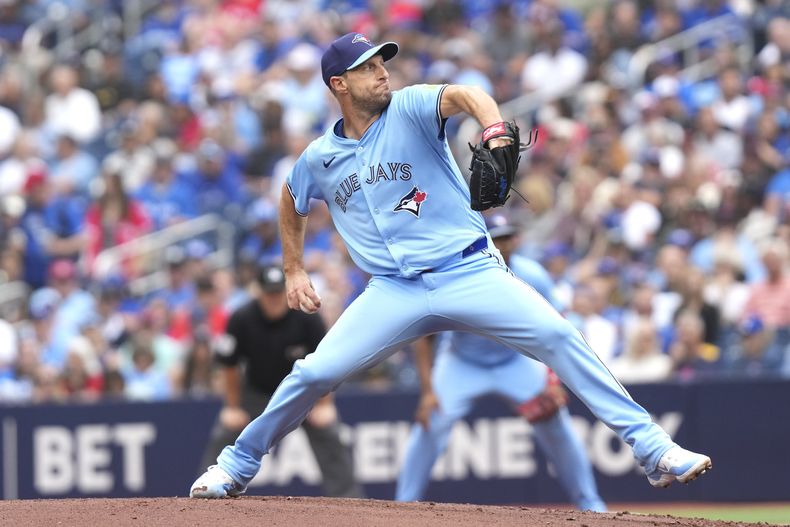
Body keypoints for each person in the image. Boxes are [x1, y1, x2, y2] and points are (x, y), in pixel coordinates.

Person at [190, 32, 711, 499]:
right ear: (338, 84)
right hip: (393, 290)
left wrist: (493, 128)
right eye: (368, 67)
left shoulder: (411, 106)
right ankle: (235, 466)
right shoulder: (320, 157)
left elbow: (462, 94)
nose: (382, 71)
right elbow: (290, 197)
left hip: (468, 271)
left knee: (557, 335)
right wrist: (293, 268)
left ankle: (653, 449)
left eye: (381, 62)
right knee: (313, 372)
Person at [394, 215, 606, 511]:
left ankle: (591, 505)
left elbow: (557, 328)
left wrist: (552, 379)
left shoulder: (531, 274)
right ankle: (402, 508)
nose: (505, 243)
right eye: (498, 237)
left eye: (508, 236)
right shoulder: (454, 274)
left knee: (556, 424)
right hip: (461, 362)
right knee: (429, 426)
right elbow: (423, 337)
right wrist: (428, 391)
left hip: (513, 360)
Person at [198, 264, 363, 498]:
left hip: (302, 394)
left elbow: (328, 364)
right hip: (256, 392)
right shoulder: (241, 317)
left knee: (329, 431)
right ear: (260, 293)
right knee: (224, 431)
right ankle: (206, 497)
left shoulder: (307, 320)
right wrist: (232, 407)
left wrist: (326, 406)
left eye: (278, 292)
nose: (274, 299)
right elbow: (229, 365)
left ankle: (349, 500)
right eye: (269, 293)